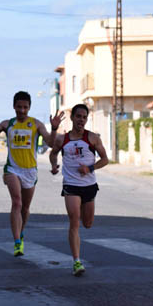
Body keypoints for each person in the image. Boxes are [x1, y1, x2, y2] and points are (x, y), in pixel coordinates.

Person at [0, 91, 64, 257]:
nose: (22, 110)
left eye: (25, 107)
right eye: (19, 107)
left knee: (25, 208)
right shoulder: (7, 124)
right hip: (12, 169)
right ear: (13, 106)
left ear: (29, 107)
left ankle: (20, 233)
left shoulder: (36, 124)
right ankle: (16, 242)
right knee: (16, 202)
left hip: (30, 170)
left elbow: (51, 142)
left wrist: (54, 128)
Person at [49, 104, 108, 276]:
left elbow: (105, 159)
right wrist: (54, 166)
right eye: (78, 116)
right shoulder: (63, 139)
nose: (81, 120)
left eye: (84, 117)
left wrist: (89, 168)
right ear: (72, 118)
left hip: (89, 185)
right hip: (71, 185)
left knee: (87, 224)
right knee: (74, 220)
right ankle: (76, 261)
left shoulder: (93, 138)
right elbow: (53, 154)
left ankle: (83, 208)